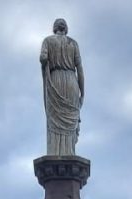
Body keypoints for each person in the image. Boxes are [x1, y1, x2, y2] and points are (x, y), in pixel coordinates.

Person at [40, 18, 84, 156]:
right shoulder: (73, 44)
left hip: (55, 81)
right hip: (71, 81)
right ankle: (69, 152)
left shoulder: (48, 41)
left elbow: (43, 58)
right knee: (69, 124)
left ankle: (55, 152)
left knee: (54, 121)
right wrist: (82, 93)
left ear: (55, 28)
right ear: (66, 28)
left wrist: (45, 61)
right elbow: (80, 70)